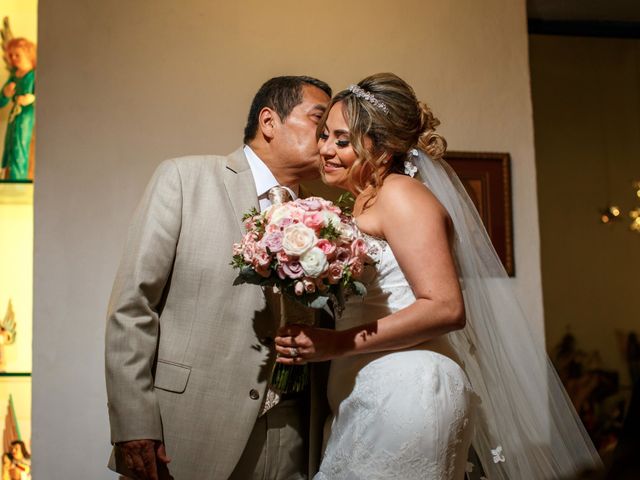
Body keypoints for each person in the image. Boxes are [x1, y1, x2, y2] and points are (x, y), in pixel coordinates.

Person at [275, 73, 603, 479]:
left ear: (381, 148)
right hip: (366, 388)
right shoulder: (363, 204)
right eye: (324, 135)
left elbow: (446, 307)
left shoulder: (401, 195)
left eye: (342, 141)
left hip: (408, 387)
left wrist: (336, 344)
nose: (324, 149)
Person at [105, 75, 331, 480]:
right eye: (320, 119)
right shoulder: (185, 179)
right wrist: (133, 424)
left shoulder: (327, 215)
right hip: (188, 429)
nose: (329, 136)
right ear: (269, 121)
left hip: (293, 432)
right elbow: (132, 306)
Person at [0, 38, 36, 181]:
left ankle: (18, 179)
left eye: (17, 55)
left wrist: (32, 98)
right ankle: (7, 178)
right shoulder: (14, 76)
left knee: (20, 147)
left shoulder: (33, 75)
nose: (14, 59)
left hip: (26, 117)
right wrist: (5, 94)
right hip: (14, 117)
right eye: (11, 55)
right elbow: (1, 101)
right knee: (9, 146)